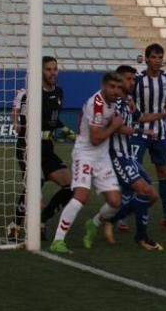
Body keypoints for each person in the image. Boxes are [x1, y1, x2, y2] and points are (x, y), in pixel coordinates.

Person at [100, 65, 166, 251]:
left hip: (127, 156)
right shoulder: (115, 103)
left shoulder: (127, 101)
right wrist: (141, 130)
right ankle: (141, 237)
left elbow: (139, 116)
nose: (132, 82)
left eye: (133, 79)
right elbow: (117, 127)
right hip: (117, 156)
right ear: (119, 80)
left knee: (151, 196)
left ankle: (112, 220)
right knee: (146, 193)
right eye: (128, 78)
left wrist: (163, 114)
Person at [49, 72, 125, 254]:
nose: (116, 91)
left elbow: (115, 126)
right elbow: (96, 139)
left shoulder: (113, 102)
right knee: (81, 196)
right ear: (103, 86)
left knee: (115, 202)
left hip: (103, 157)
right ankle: (58, 240)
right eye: (112, 87)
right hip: (85, 154)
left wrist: (141, 130)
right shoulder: (96, 105)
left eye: (118, 87)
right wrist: (115, 126)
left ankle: (94, 223)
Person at [9, 56, 76, 241]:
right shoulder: (29, 94)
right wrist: (17, 122)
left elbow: (54, 122)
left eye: (55, 69)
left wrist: (69, 133)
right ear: (40, 72)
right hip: (28, 149)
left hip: (46, 150)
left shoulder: (59, 93)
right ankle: (15, 225)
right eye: (48, 69)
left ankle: (42, 220)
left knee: (72, 185)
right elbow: (24, 129)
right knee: (34, 190)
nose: (53, 72)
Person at [133, 43, 166, 231]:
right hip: (139, 129)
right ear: (146, 59)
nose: (157, 61)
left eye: (160, 57)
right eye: (153, 57)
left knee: (164, 172)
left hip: (160, 130)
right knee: (133, 172)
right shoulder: (138, 79)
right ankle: (123, 214)